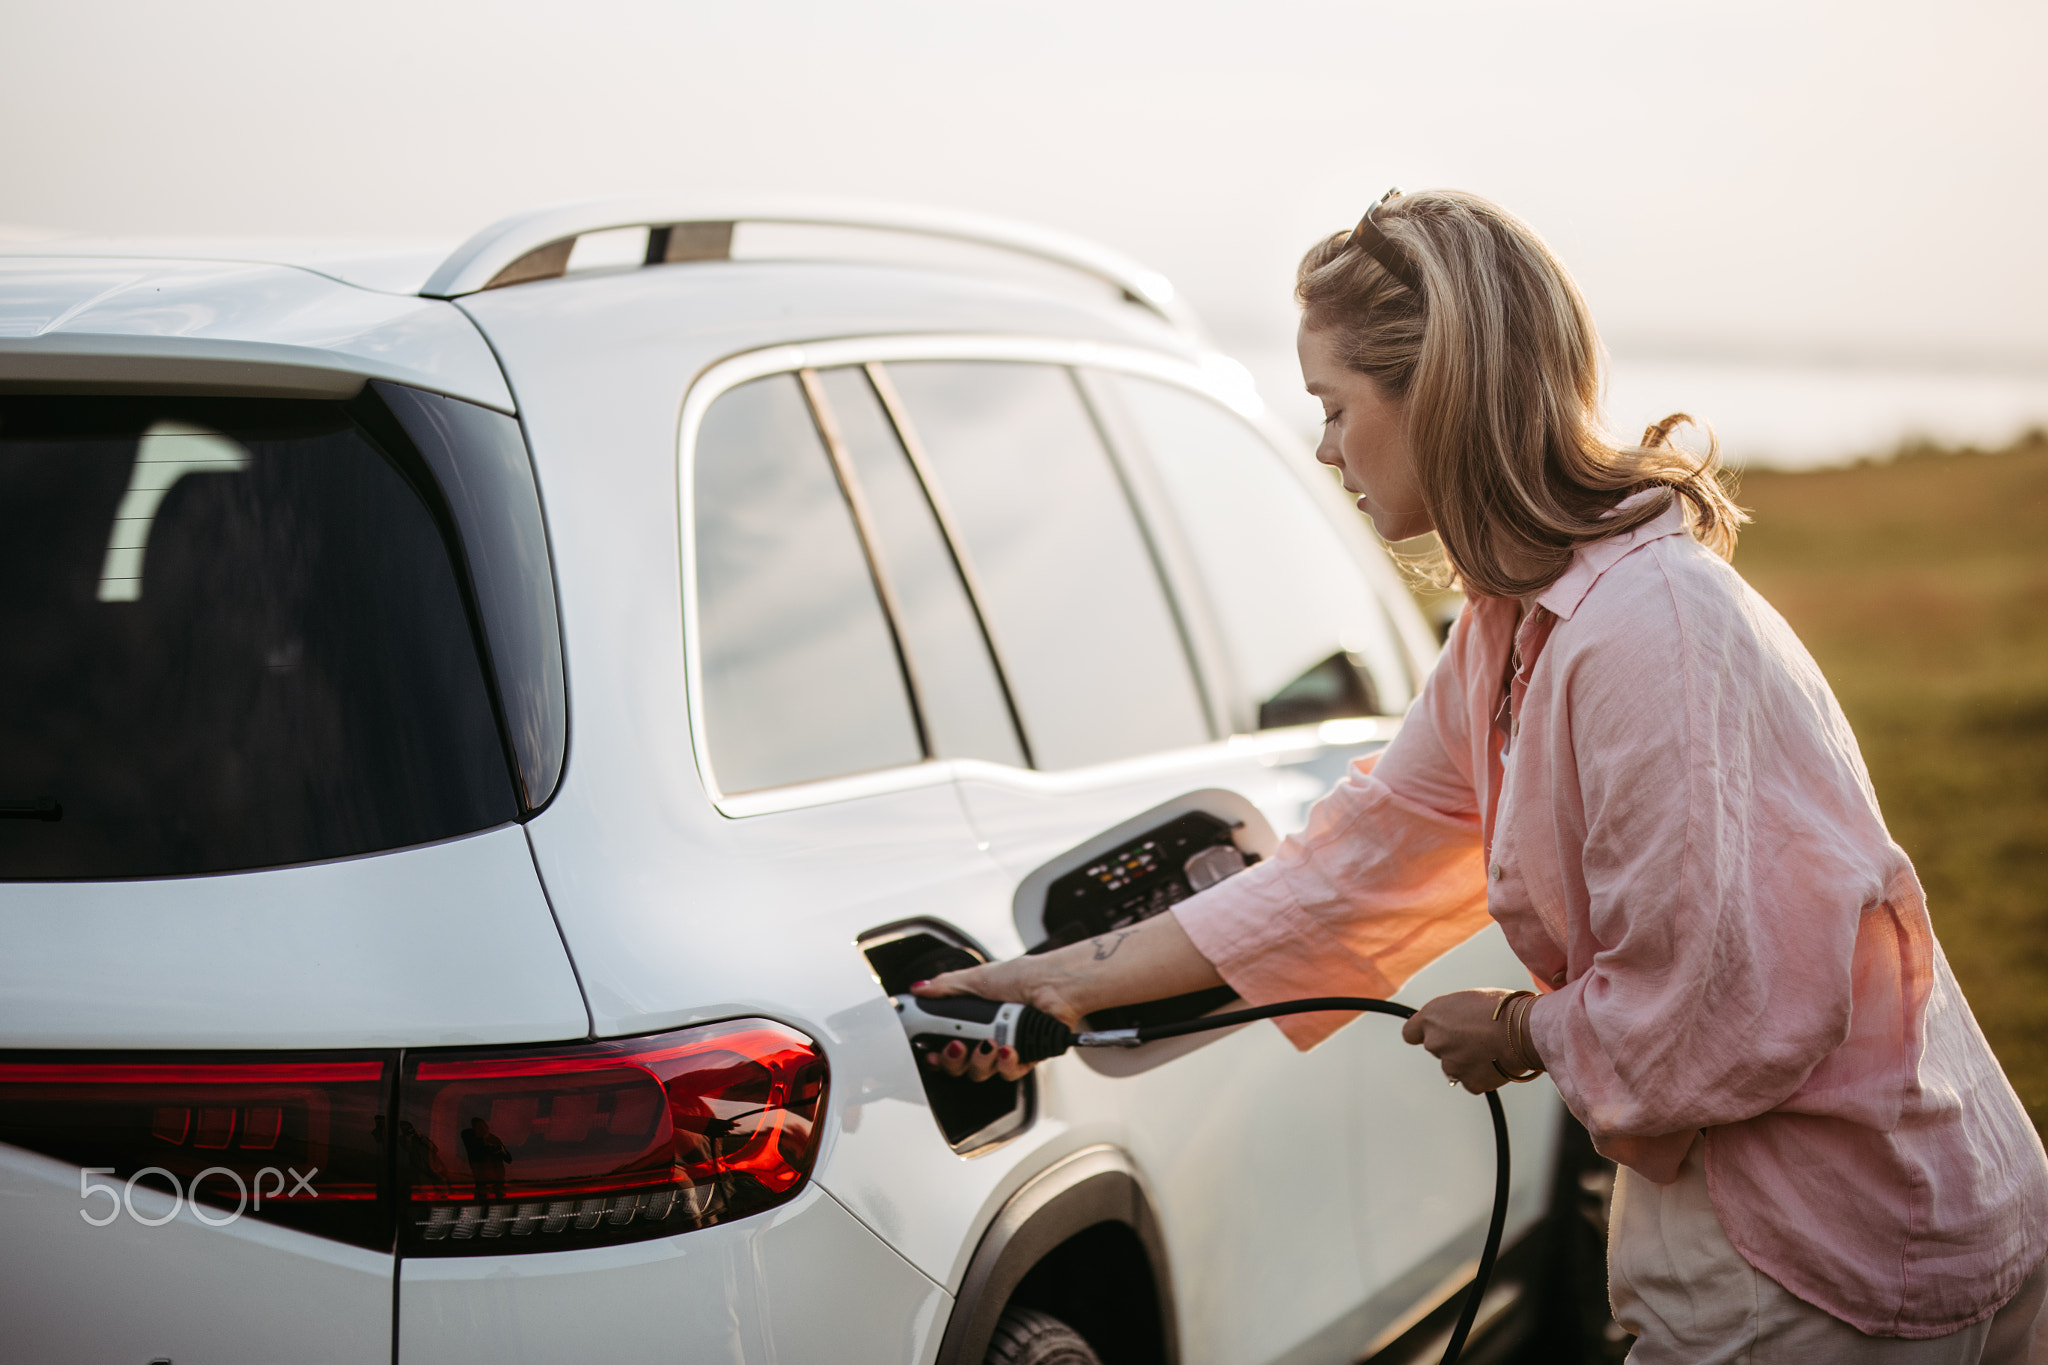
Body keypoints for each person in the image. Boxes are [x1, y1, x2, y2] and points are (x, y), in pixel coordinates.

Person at [914, 188, 2048, 1362]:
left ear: (1439, 398)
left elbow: (1719, 1011)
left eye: (1334, 406)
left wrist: (1517, 1031)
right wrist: (1064, 984)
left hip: (1839, 1256)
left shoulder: (1646, 631)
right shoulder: (1512, 625)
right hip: (1773, 1230)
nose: (1320, 447)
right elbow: (1355, 865)